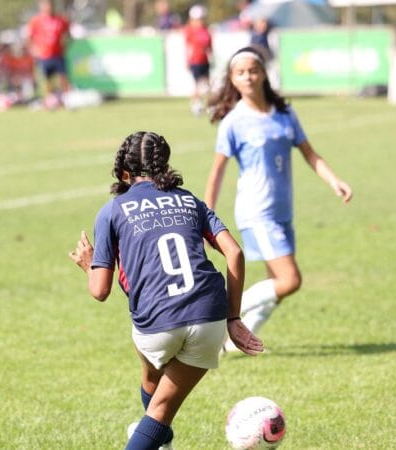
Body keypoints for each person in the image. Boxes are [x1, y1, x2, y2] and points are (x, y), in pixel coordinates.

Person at [69, 131, 264, 449]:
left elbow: (99, 290)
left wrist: (89, 264)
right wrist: (233, 317)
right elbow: (235, 253)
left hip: (156, 323)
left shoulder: (112, 210)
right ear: (164, 167)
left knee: (157, 406)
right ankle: (161, 440)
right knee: (153, 386)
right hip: (209, 316)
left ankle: (156, 438)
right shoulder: (190, 200)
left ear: (125, 173)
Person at [204, 47, 353, 347]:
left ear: (263, 74)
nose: (248, 77)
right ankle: (221, 318)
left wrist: (334, 180)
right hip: (256, 212)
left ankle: (234, 343)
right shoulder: (234, 121)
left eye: (252, 70)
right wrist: (206, 216)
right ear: (232, 79)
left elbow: (309, 153)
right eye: (240, 72)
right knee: (289, 281)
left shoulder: (284, 113)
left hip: (283, 211)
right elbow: (217, 170)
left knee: (278, 287)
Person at [25, 0, 71, 108]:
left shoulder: (60, 20)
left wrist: (66, 45)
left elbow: (68, 35)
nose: (47, 7)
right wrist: (33, 49)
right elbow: (28, 38)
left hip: (58, 55)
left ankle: (65, 101)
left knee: (63, 78)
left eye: (49, 5)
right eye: (45, 5)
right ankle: (47, 102)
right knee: (46, 80)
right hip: (44, 56)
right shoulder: (36, 21)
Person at [184, 5, 213, 116]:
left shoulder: (206, 30)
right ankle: (196, 105)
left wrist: (211, 56)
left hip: (205, 61)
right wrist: (187, 60)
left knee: (208, 84)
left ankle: (210, 105)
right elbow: (188, 47)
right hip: (195, 61)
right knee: (196, 85)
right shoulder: (189, 31)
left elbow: (210, 46)